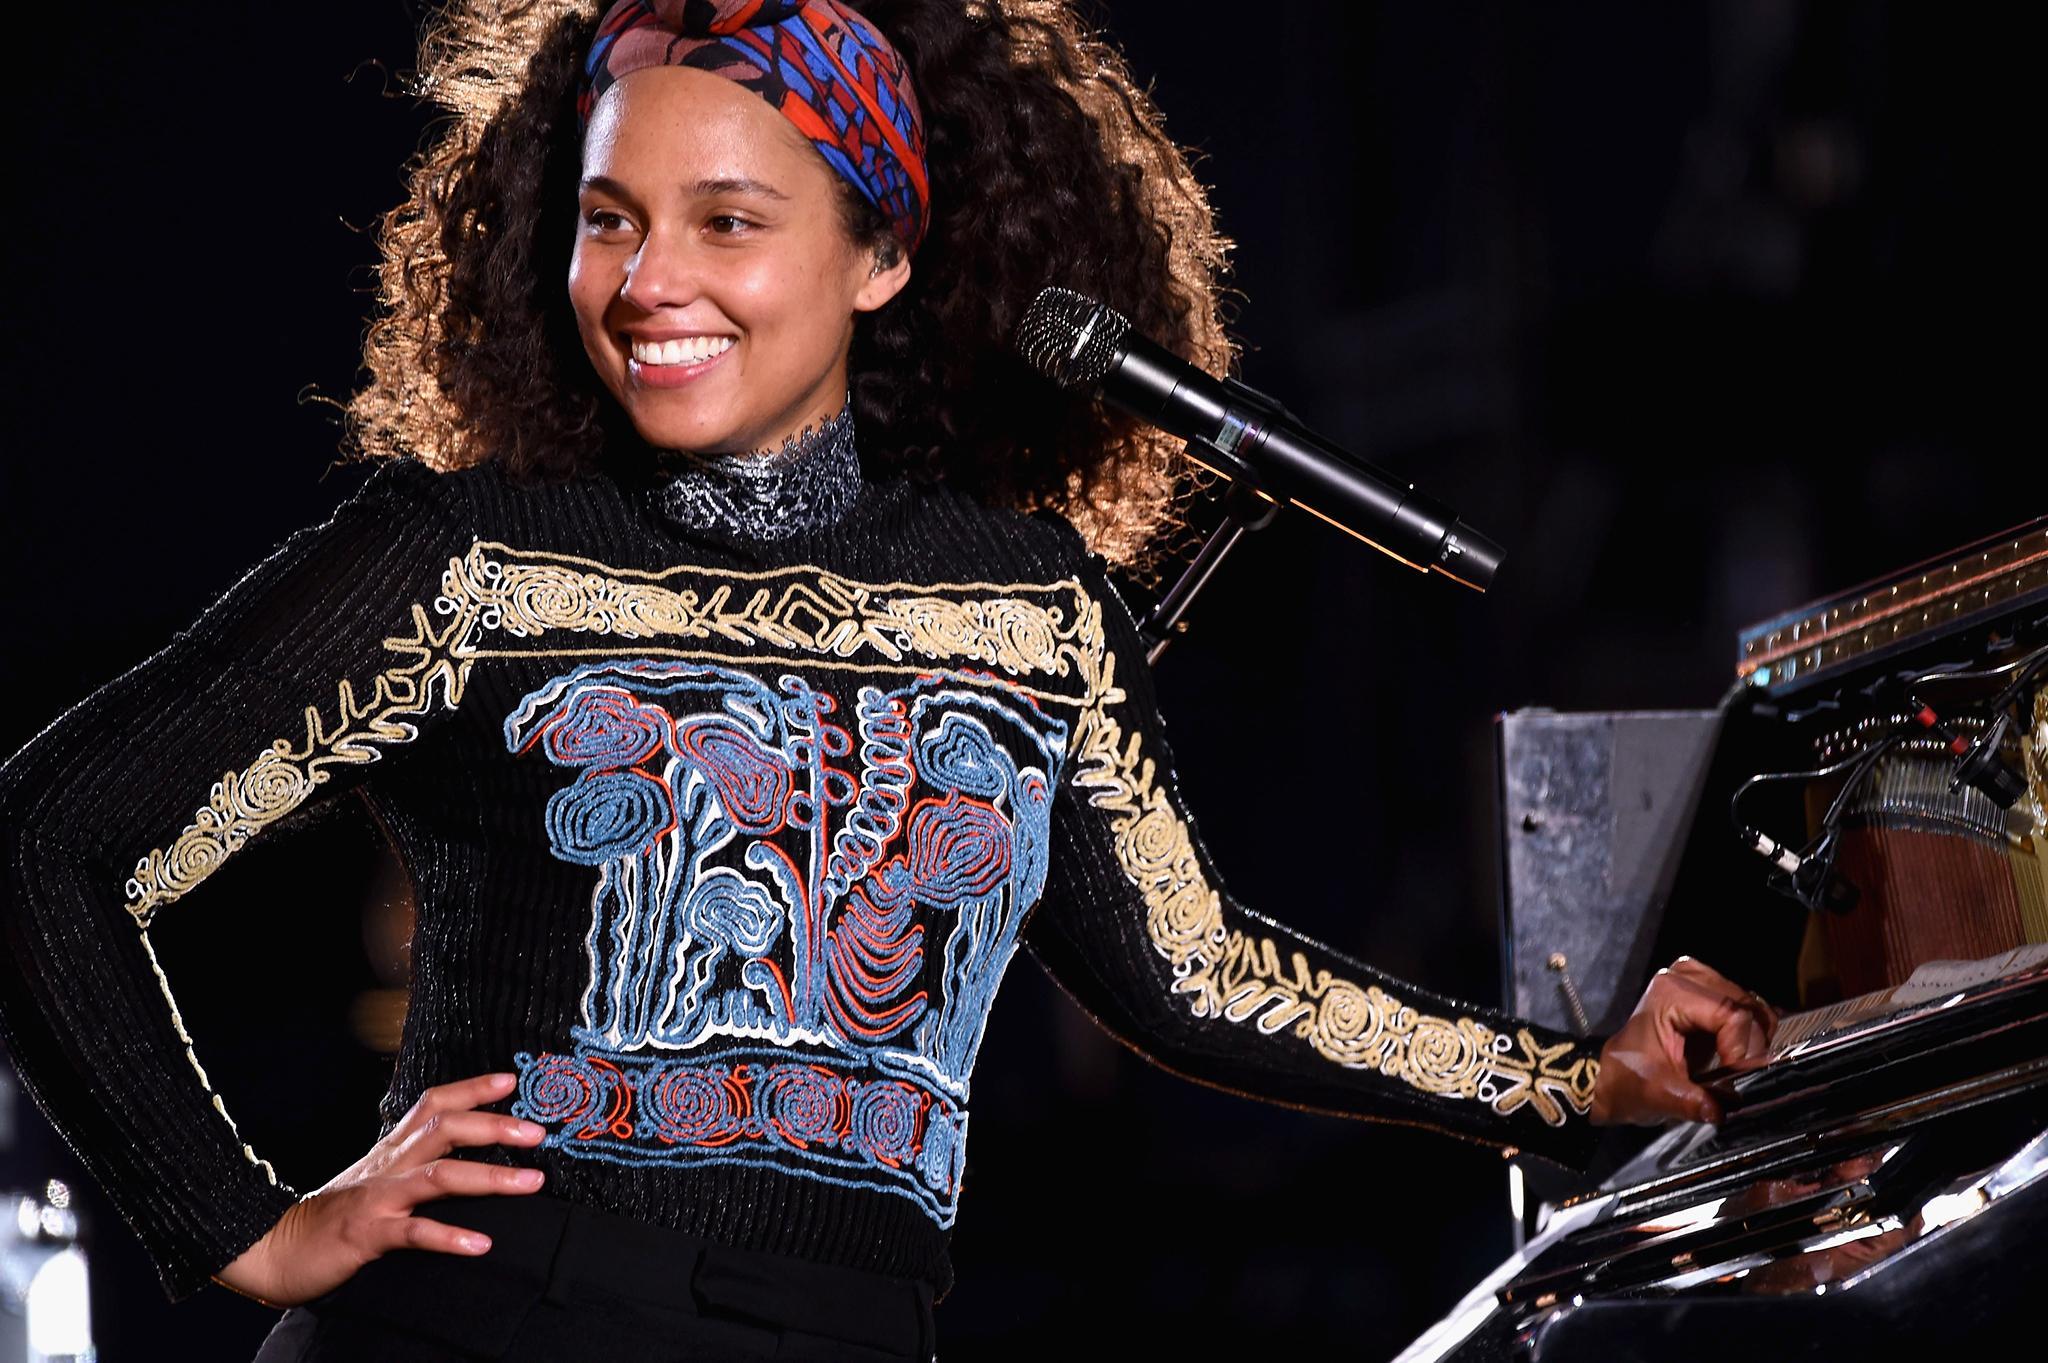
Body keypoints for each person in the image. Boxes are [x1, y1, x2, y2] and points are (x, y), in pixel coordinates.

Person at [0, 2, 1777, 1359]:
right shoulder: (464, 561)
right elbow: (46, 844)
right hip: (491, 1326)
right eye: (610, 220)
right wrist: (238, 1221)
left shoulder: (1024, 608)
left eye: (727, 220)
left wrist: (1579, 1081)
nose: (650, 283)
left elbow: (1201, 979)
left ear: (883, 255)